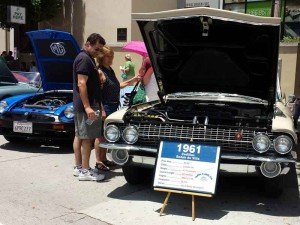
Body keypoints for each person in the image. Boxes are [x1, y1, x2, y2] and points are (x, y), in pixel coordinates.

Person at [94, 45, 139, 171]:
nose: (111, 58)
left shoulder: (110, 70)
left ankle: (104, 159)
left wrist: (133, 80)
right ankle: (98, 161)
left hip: (113, 105)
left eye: (112, 56)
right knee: (100, 135)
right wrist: (101, 109)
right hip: (105, 105)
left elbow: (117, 86)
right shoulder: (100, 71)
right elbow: (97, 93)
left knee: (107, 135)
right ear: (102, 57)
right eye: (109, 56)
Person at [72, 33, 106, 181]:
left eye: (100, 49)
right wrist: (88, 107)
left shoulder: (86, 59)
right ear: (88, 44)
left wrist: (97, 72)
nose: (98, 52)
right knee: (86, 138)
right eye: (96, 48)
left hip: (85, 105)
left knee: (80, 136)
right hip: (87, 106)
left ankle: (80, 167)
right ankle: (85, 171)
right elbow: (81, 83)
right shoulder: (85, 59)